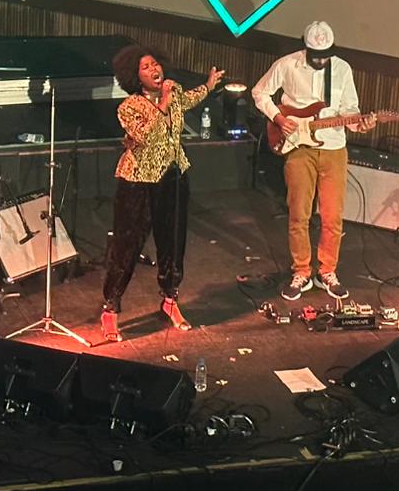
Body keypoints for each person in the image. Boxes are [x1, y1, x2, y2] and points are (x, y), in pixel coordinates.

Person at [102, 45, 223, 342]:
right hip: (138, 180)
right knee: (127, 245)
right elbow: (144, 136)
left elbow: (189, 99)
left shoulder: (176, 91)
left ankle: (170, 300)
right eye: (146, 67)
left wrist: (207, 86)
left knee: (173, 242)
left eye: (155, 63)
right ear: (134, 76)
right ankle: (110, 309)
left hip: (172, 175)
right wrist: (165, 103)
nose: (155, 70)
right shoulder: (128, 107)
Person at [251, 21, 375, 301]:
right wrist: (280, 119)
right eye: (315, 54)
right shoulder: (287, 65)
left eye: (325, 54)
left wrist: (360, 124)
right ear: (305, 48)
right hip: (298, 148)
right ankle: (302, 271)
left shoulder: (342, 69)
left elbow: (350, 110)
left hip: (333, 148)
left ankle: (327, 270)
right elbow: (259, 92)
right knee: (299, 214)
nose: (321, 60)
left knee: (332, 216)